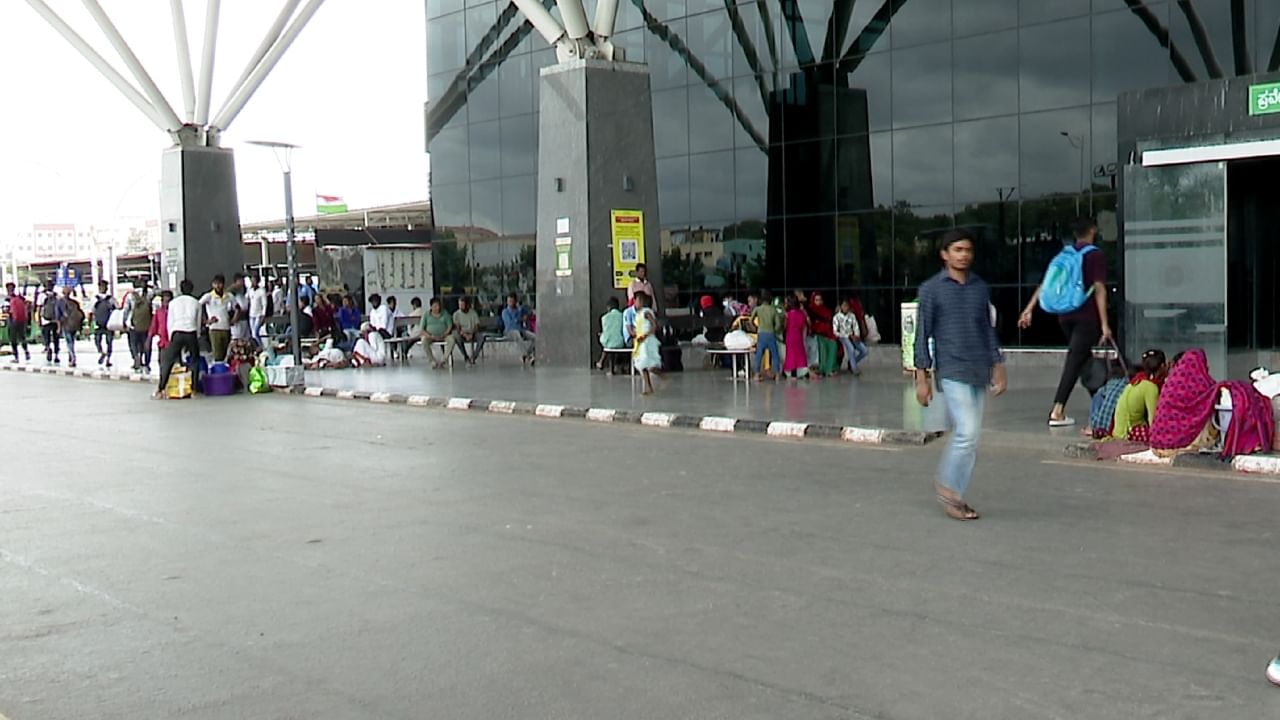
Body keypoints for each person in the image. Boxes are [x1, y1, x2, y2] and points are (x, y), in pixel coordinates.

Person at [914, 230, 1007, 521]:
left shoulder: (980, 287)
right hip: (952, 369)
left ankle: (955, 492)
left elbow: (987, 330)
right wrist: (922, 378)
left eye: (967, 249)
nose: (963, 254)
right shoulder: (931, 289)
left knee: (972, 436)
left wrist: (998, 366)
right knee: (966, 432)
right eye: (957, 249)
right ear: (945, 254)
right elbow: (922, 335)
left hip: (978, 368)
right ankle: (948, 489)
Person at [1018, 217, 1110, 428]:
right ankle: (1058, 410)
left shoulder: (1063, 255)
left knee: (1083, 361)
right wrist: (1105, 323)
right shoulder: (1095, 255)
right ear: (1093, 230)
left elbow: (1046, 284)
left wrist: (1029, 309)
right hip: (1086, 317)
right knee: (1075, 360)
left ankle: (1104, 408)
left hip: (1064, 316)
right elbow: (1099, 289)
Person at [156, 281, 202, 399]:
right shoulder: (196, 302)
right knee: (195, 361)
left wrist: (172, 336)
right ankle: (194, 390)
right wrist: (196, 335)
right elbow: (198, 321)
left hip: (177, 332)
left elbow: (170, 321)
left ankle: (160, 389)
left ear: (181, 289)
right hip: (191, 332)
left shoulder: (173, 303)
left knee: (168, 361)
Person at [1110, 349, 1167, 443]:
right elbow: (1154, 420)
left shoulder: (1136, 381)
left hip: (1118, 431)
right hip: (1128, 433)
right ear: (1162, 366)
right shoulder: (1151, 387)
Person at [631, 291, 662, 394]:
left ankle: (661, 375)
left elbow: (654, 325)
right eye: (636, 300)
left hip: (648, 341)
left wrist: (646, 334)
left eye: (639, 300)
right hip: (640, 342)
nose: (637, 303)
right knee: (642, 365)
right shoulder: (637, 314)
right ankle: (648, 388)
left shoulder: (646, 312)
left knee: (650, 364)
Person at [200, 274, 234, 362]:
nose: (218, 286)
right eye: (216, 284)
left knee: (225, 353)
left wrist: (234, 319)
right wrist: (206, 321)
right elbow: (198, 306)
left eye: (220, 283)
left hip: (226, 327)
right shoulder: (209, 296)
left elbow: (237, 307)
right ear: (213, 285)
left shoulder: (229, 296)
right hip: (214, 327)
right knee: (217, 354)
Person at [123, 280, 154, 371]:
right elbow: (158, 291)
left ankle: (136, 357)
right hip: (146, 324)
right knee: (146, 343)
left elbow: (126, 310)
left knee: (133, 343)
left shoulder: (130, 296)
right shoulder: (148, 294)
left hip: (133, 325)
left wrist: (124, 322)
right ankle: (147, 362)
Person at [808, 291, 838, 377]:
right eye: (816, 300)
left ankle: (830, 368)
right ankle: (823, 369)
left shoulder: (826, 311)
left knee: (833, 344)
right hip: (816, 334)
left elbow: (830, 324)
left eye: (820, 300)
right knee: (822, 345)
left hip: (827, 334)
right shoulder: (811, 311)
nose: (818, 302)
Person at [834, 299, 868, 375]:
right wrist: (847, 335)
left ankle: (852, 362)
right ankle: (854, 368)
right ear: (841, 307)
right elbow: (835, 331)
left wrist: (856, 335)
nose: (845, 308)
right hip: (843, 336)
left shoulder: (852, 316)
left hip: (852, 336)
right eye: (844, 306)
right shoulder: (837, 317)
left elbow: (856, 326)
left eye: (847, 306)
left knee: (864, 350)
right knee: (851, 349)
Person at [501, 292, 537, 365]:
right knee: (517, 334)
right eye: (508, 301)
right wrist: (520, 319)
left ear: (515, 301)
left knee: (536, 337)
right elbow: (510, 324)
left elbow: (529, 313)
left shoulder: (520, 309)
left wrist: (526, 316)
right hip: (509, 331)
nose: (510, 303)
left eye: (511, 301)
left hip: (521, 330)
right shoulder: (505, 312)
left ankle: (525, 354)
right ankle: (529, 357)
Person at [419, 297, 453, 369]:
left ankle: (444, 360)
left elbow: (450, 326)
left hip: (444, 335)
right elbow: (422, 329)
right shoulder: (426, 315)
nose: (437, 308)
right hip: (430, 336)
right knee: (424, 341)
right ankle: (432, 361)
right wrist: (430, 336)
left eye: (438, 306)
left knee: (452, 340)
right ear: (431, 307)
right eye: (435, 306)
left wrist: (444, 334)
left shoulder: (445, 313)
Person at [36, 279, 64, 364]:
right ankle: (56, 355)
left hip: (45, 320)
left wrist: (38, 320)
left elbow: (39, 308)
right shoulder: (57, 296)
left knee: (46, 337)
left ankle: (48, 348)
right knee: (56, 338)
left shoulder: (41, 296)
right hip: (56, 320)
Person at [451, 295, 484, 365]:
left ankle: (474, 357)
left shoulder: (473, 313)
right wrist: (464, 334)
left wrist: (472, 334)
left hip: (473, 332)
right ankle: (465, 356)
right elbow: (457, 327)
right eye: (459, 304)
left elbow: (477, 325)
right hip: (462, 333)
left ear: (467, 305)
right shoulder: (456, 314)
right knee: (456, 337)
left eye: (462, 305)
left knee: (481, 338)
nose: (461, 306)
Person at [596, 297, 626, 372]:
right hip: (620, 342)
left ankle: (603, 364)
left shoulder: (604, 317)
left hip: (608, 342)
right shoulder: (622, 315)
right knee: (613, 341)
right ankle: (616, 366)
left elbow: (606, 331)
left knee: (608, 343)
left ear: (608, 307)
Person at [782, 295, 809, 380]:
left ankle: (792, 373)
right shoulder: (801, 314)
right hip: (798, 336)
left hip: (790, 336)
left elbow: (785, 326)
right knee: (799, 354)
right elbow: (804, 326)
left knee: (791, 355)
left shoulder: (788, 315)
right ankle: (804, 373)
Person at [3, 282, 31, 363]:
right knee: (22, 337)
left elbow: (6, 310)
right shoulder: (20, 297)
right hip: (21, 321)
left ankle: (16, 357)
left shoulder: (8, 299)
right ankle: (26, 352)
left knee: (13, 339)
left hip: (13, 321)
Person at [91, 280, 116, 368]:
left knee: (108, 342)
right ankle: (102, 353)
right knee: (99, 341)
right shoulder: (96, 299)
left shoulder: (110, 299)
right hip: (102, 323)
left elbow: (92, 311)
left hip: (107, 324)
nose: (103, 288)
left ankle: (107, 358)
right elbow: (92, 311)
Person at [60, 288, 84, 368]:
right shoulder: (75, 303)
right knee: (72, 341)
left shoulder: (60, 302)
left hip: (66, 324)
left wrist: (58, 326)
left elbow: (57, 315)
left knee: (68, 342)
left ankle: (72, 356)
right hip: (74, 325)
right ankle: (70, 357)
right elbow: (81, 315)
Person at [147, 290, 173, 362]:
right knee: (163, 364)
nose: (166, 304)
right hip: (163, 344)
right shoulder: (159, 312)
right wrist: (149, 339)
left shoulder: (175, 311)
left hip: (174, 343)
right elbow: (153, 327)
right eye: (165, 301)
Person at [248, 275, 268, 346]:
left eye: (254, 281)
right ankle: (256, 346)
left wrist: (263, 314)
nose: (253, 282)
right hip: (251, 314)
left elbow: (264, 303)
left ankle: (260, 346)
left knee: (255, 332)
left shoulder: (261, 291)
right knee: (253, 333)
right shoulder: (250, 291)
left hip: (258, 314)